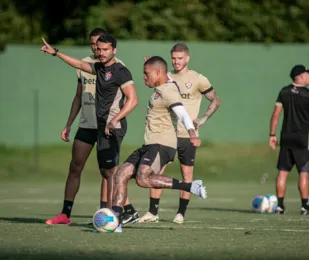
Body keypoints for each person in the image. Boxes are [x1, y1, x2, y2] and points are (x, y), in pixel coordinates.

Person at [41, 33, 140, 224]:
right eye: (98, 48)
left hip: (113, 127)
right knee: (101, 170)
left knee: (109, 172)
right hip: (98, 124)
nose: (100, 52)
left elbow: (133, 100)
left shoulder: (120, 70)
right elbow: (79, 64)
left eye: (105, 49)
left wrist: (114, 120)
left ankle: (113, 216)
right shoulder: (99, 68)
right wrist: (56, 53)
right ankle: (68, 214)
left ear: (114, 50)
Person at [111, 56, 207, 233]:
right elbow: (167, 77)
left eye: (147, 74)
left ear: (157, 72)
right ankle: (115, 221)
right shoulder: (163, 86)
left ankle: (191, 186)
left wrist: (192, 132)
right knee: (120, 174)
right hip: (149, 144)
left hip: (162, 145)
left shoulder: (168, 90)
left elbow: (182, 113)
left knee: (142, 178)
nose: (144, 77)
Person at [139, 43, 220, 224]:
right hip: (167, 136)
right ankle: (153, 212)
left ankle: (180, 214)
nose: (176, 61)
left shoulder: (198, 79)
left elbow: (216, 98)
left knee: (187, 175)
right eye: (174, 58)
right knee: (155, 173)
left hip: (187, 136)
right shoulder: (166, 78)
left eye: (180, 58)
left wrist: (203, 118)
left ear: (187, 58)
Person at [269, 64, 309, 215]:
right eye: (307, 74)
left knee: (283, 172)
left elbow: (276, 115)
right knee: (304, 173)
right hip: (304, 140)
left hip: (286, 138)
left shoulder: (284, 92)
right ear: (301, 76)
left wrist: (272, 135)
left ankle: (280, 206)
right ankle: (305, 206)